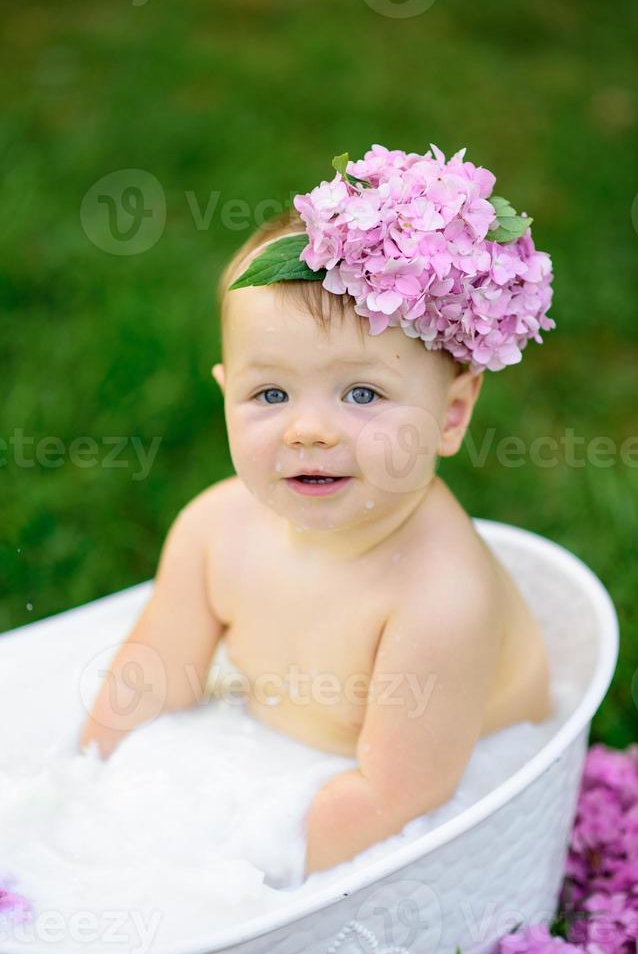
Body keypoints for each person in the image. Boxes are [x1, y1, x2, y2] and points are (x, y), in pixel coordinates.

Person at [79, 143, 556, 877]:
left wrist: (234, 893)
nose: (310, 430)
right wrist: (80, 794)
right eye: (270, 394)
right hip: (284, 756)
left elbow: (394, 799)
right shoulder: (214, 528)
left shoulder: (437, 598)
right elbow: (150, 683)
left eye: (362, 394)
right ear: (225, 391)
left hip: (435, 800)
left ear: (452, 414)